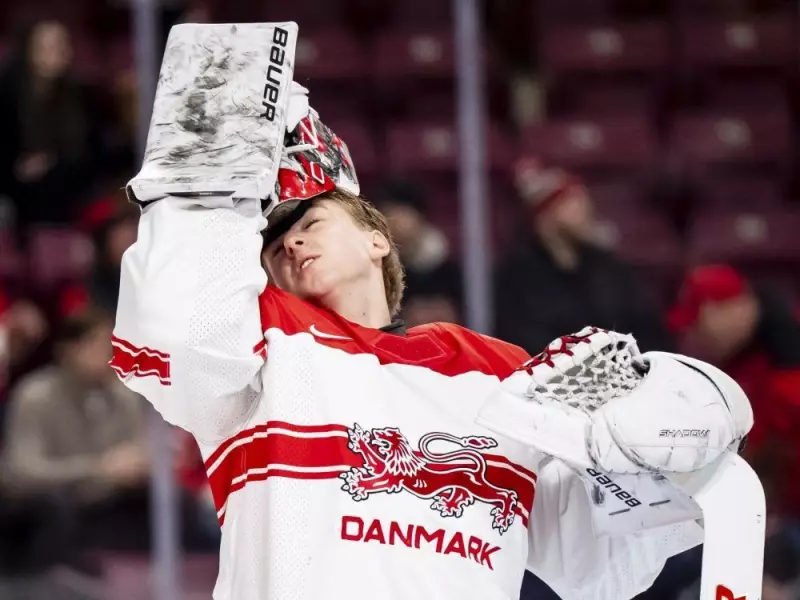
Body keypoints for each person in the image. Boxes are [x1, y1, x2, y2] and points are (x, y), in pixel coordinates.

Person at [110, 23, 753, 600]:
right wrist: (213, 133)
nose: (291, 245)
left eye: (309, 223)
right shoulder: (260, 348)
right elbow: (178, 334)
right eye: (272, 247)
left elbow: (597, 565)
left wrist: (659, 455)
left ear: (377, 238)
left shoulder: (504, 374)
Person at [495, 158, 672, 355]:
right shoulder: (519, 279)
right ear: (544, 218)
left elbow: (646, 330)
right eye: (572, 203)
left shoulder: (611, 270)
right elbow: (524, 343)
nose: (586, 210)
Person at [669, 264, 800, 518]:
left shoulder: (784, 368)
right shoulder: (734, 361)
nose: (694, 335)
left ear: (735, 309)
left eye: (699, 321)